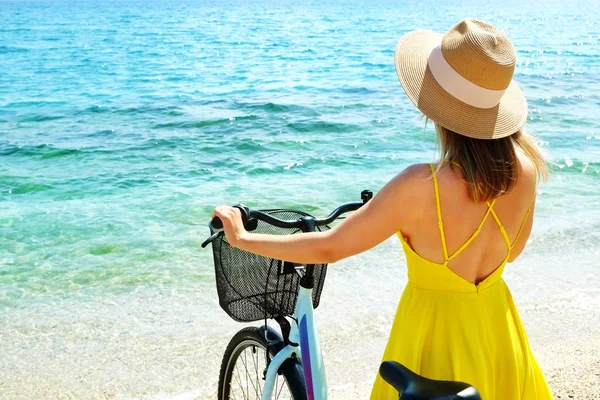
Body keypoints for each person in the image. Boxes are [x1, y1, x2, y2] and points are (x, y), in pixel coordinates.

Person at [212, 19, 552, 399]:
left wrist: (241, 237)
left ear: (438, 109)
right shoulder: (525, 171)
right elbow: (514, 251)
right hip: (497, 332)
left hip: (432, 335)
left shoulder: (419, 185)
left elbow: (329, 247)